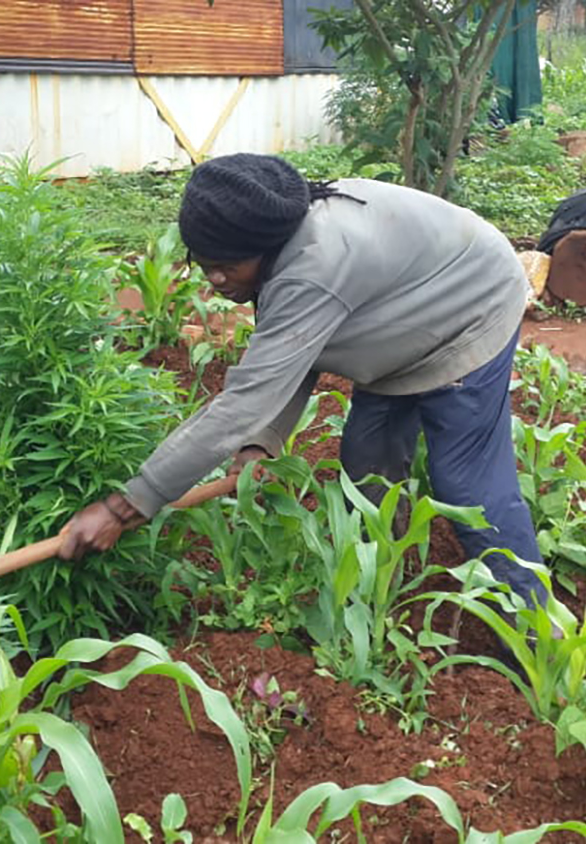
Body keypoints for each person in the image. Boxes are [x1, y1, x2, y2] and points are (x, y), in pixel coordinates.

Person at [55, 153, 547, 603]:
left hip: (469, 304)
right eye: (205, 265)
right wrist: (262, 443)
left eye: (226, 267)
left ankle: (533, 625)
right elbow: (294, 351)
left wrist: (126, 506)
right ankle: (380, 583)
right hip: (393, 314)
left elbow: (243, 401)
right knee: (366, 466)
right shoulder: (285, 238)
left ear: (264, 248)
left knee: (467, 486)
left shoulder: (313, 267)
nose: (215, 281)